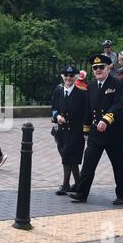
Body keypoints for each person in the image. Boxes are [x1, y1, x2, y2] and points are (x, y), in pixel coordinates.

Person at [68, 54, 123, 205]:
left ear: (108, 68)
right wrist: (85, 131)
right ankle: (82, 193)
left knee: (119, 166)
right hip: (97, 133)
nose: (98, 70)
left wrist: (106, 119)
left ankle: (122, 195)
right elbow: (88, 111)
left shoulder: (116, 84)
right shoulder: (90, 87)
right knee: (88, 163)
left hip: (115, 132)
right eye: (95, 68)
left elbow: (118, 104)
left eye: (101, 67)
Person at [51, 66, 87, 195]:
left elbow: (86, 112)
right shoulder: (59, 90)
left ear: (75, 77)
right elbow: (54, 107)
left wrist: (85, 131)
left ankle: (66, 184)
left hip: (76, 130)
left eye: (71, 76)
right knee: (69, 157)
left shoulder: (81, 92)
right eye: (66, 75)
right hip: (62, 130)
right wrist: (57, 116)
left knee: (67, 155)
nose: (68, 78)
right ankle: (78, 184)